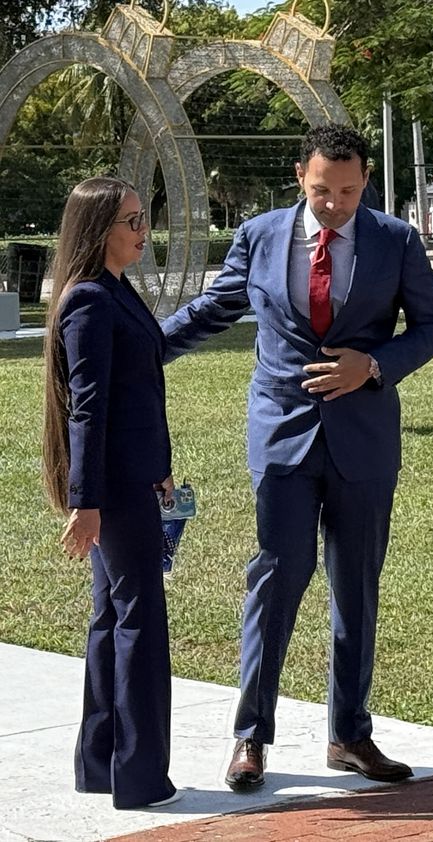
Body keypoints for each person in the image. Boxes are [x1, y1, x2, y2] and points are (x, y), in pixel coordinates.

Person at [160, 123, 433, 790]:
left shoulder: (395, 240)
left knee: (356, 587)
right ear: (301, 176)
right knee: (275, 581)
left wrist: (373, 365)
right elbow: (214, 308)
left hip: (364, 443)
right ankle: (249, 739)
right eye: (323, 190)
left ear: (366, 179)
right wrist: (146, 347)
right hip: (283, 440)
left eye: (348, 191)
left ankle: (350, 735)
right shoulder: (261, 235)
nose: (335, 204)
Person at [42, 176, 181, 810]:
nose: (141, 230)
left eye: (141, 217)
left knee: (111, 620)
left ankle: (100, 766)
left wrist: (163, 469)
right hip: (113, 489)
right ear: (97, 228)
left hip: (136, 478)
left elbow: (138, 395)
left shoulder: (117, 292)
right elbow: (88, 411)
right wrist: (85, 502)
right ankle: (141, 778)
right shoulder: (91, 301)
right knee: (139, 624)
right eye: (129, 221)